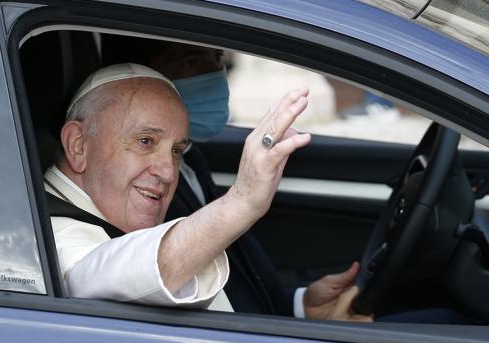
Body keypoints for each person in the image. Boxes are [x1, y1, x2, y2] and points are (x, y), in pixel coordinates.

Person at [44, 61, 369, 321]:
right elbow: (112, 275)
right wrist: (242, 202)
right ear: (78, 145)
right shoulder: (48, 235)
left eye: (176, 150)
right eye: (145, 142)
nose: (169, 172)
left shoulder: (113, 200)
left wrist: (301, 309)